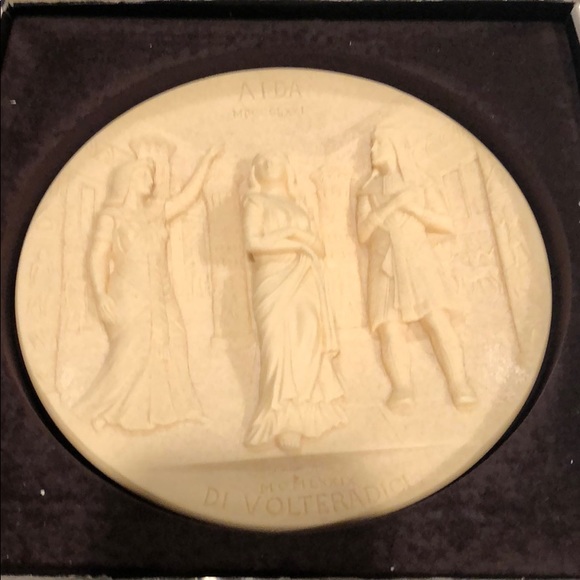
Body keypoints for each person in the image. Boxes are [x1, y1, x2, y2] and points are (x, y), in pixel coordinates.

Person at [74, 141, 222, 431]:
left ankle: (180, 408)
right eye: (144, 175)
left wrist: (206, 161)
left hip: (161, 289)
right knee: (133, 348)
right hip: (129, 290)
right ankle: (107, 410)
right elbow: (98, 256)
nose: (151, 181)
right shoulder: (111, 217)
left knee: (173, 341)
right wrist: (100, 293)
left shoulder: (155, 212)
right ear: (128, 180)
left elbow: (186, 198)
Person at [357, 121, 477, 412]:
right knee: (389, 327)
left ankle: (459, 383)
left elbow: (445, 224)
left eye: (380, 144)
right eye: (372, 144)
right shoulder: (368, 190)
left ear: (397, 148)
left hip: (417, 258)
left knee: (436, 318)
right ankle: (402, 389)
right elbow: (362, 233)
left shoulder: (419, 183)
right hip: (383, 263)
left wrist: (414, 209)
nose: (373, 150)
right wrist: (391, 206)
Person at [243, 153, 347, 452]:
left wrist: (300, 239)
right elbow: (254, 243)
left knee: (309, 336)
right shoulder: (255, 202)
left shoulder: (299, 206)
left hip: (305, 277)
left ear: (288, 169)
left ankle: (303, 413)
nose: (269, 161)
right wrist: (294, 235)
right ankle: (280, 416)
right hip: (273, 279)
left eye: (274, 158)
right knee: (277, 345)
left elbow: (319, 246)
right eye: (262, 160)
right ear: (255, 173)